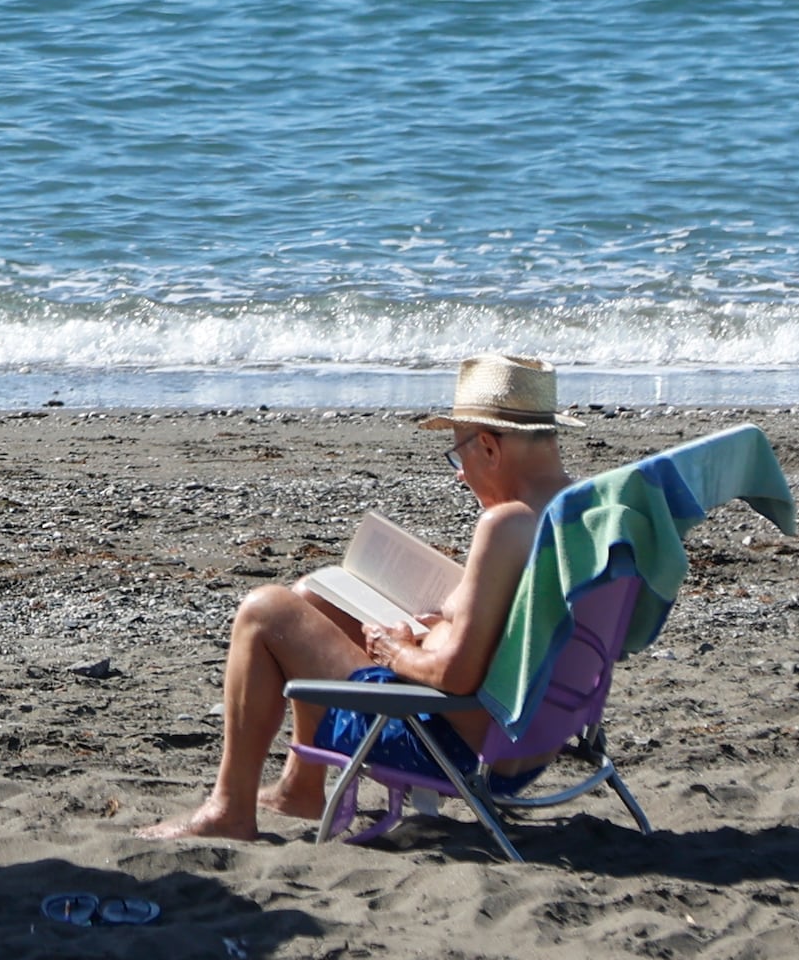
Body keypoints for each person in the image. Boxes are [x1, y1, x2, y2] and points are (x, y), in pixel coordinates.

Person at [144, 352, 574, 842]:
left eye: (460, 456)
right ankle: (300, 787)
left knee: (265, 612)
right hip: (530, 740)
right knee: (312, 597)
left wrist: (396, 651)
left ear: (491, 450)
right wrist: (443, 628)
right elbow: (516, 642)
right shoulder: (577, 517)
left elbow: (457, 675)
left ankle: (228, 810)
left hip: (451, 744)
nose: (460, 474)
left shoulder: (507, 524)